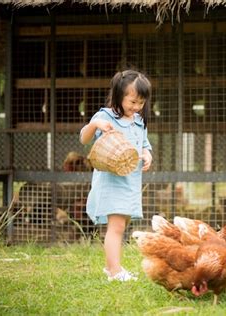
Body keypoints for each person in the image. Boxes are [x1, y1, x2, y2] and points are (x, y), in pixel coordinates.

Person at [80, 69, 153, 282]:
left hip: (130, 181)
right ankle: (114, 272)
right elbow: (84, 139)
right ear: (119, 95)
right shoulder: (105, 116)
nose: (136, 107)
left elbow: (145, 145)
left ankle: (113, 268)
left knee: (122, 224)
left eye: (141, 103)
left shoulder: (138, 121)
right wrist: (94, 125)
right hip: (112, 181)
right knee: (117, 226)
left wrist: (147, 155)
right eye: (132, 102)